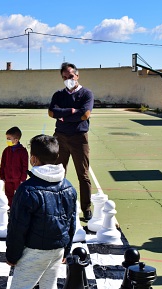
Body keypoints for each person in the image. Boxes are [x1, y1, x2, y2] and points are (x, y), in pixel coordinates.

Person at [6, 135, 77, 289]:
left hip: (33, 251)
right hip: (57, 250)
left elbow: (17, 227)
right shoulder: (69, 187)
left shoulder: (27, 189)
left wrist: (12, 255)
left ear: (34, 159)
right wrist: (67, 249)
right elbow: (72, 222)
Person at [48, 62, 94, 221]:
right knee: (58, 173)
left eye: (71, 76)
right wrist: (72, 111)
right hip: (59, 137)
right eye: (65, 77)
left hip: (79, 139)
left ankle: (86, 208)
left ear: (77, 75)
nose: (68, 79)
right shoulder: (58, 95)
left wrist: (62, 116)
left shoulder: (86, 94)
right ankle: (57, 205)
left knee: (83, 174)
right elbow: (51, 112)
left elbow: (84, 115)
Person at [0, 126, 28, 207]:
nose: (7, 140)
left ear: (16, 140)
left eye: (9, 138)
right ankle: (10, 211)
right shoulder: (6, 151)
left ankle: (19, 211)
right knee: (8, 196)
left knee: (19, 196)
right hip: (8, 179)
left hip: (18, 180)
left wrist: (23, 179)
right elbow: (3, 164)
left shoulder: (23, 152)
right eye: (7, 138)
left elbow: (25, 167)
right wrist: (2, 176)